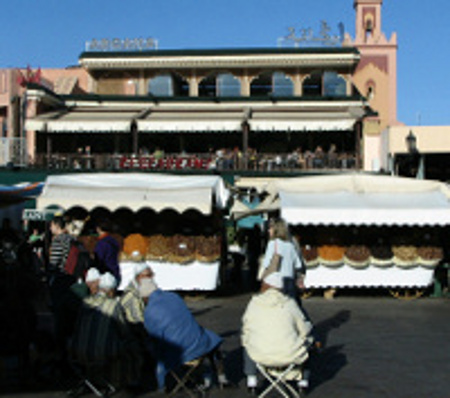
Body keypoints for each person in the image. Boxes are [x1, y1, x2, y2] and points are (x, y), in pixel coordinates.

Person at [140, 278, 230, 391]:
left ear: (145, 297)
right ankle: (222, 378)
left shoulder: (149, 312)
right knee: (212, 338)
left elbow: (156, 339)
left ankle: (163, 387)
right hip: (200, 343)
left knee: (159, 356)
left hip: (180, 353)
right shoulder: (173, 296)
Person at [242, 272, 314, 394]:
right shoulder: (290, 304)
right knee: (310, 341)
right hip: (289, 354)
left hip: (260, 354)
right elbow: (304, 329)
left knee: (247, 341)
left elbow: (246, 328)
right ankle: (303, 382)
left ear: (265, 285)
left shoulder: (254, 304)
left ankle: (251, 380)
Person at [70, 272, 135, 388]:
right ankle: (117, 381)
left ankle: (95, 380)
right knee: (127, 346)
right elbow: (124, 331)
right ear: (110, 291)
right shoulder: (114, 305)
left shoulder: (85, 303)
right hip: (104, 353)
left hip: (78, 352)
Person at [260, 218, 306, 301]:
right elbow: (298, 265)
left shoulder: (272, 244)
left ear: (276, 229)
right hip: (290, 282)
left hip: (275, 282)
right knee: (290, 307)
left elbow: (266, 264)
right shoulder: (290, 246)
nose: (268, 230)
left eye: (270, 228)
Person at [94, 219, 121, 285]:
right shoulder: (114, 240)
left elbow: (99, 259)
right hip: (116, 271)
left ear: (98, 229)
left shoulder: (101, 243)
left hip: (106, 274)